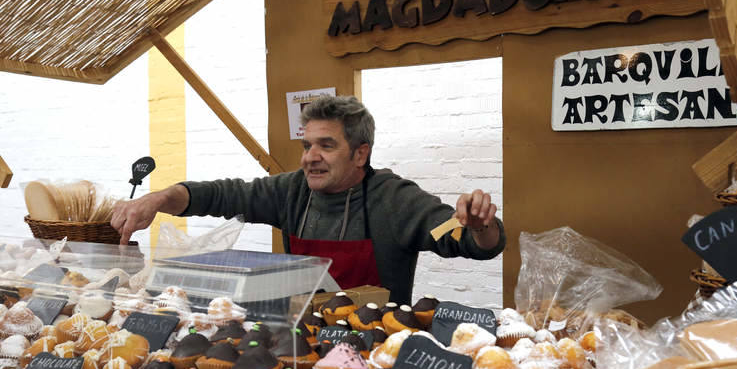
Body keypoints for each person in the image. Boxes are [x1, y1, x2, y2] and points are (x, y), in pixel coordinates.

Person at [111, 95, 505, 305]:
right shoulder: (292, 190)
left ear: (360, 154)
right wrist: (159, 198)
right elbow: (219, 194)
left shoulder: (394, 200)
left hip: (376, 359)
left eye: (326, 145)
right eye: (307, 144)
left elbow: (473, 243)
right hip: (302, 350)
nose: (309, 157)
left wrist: (481, 223)